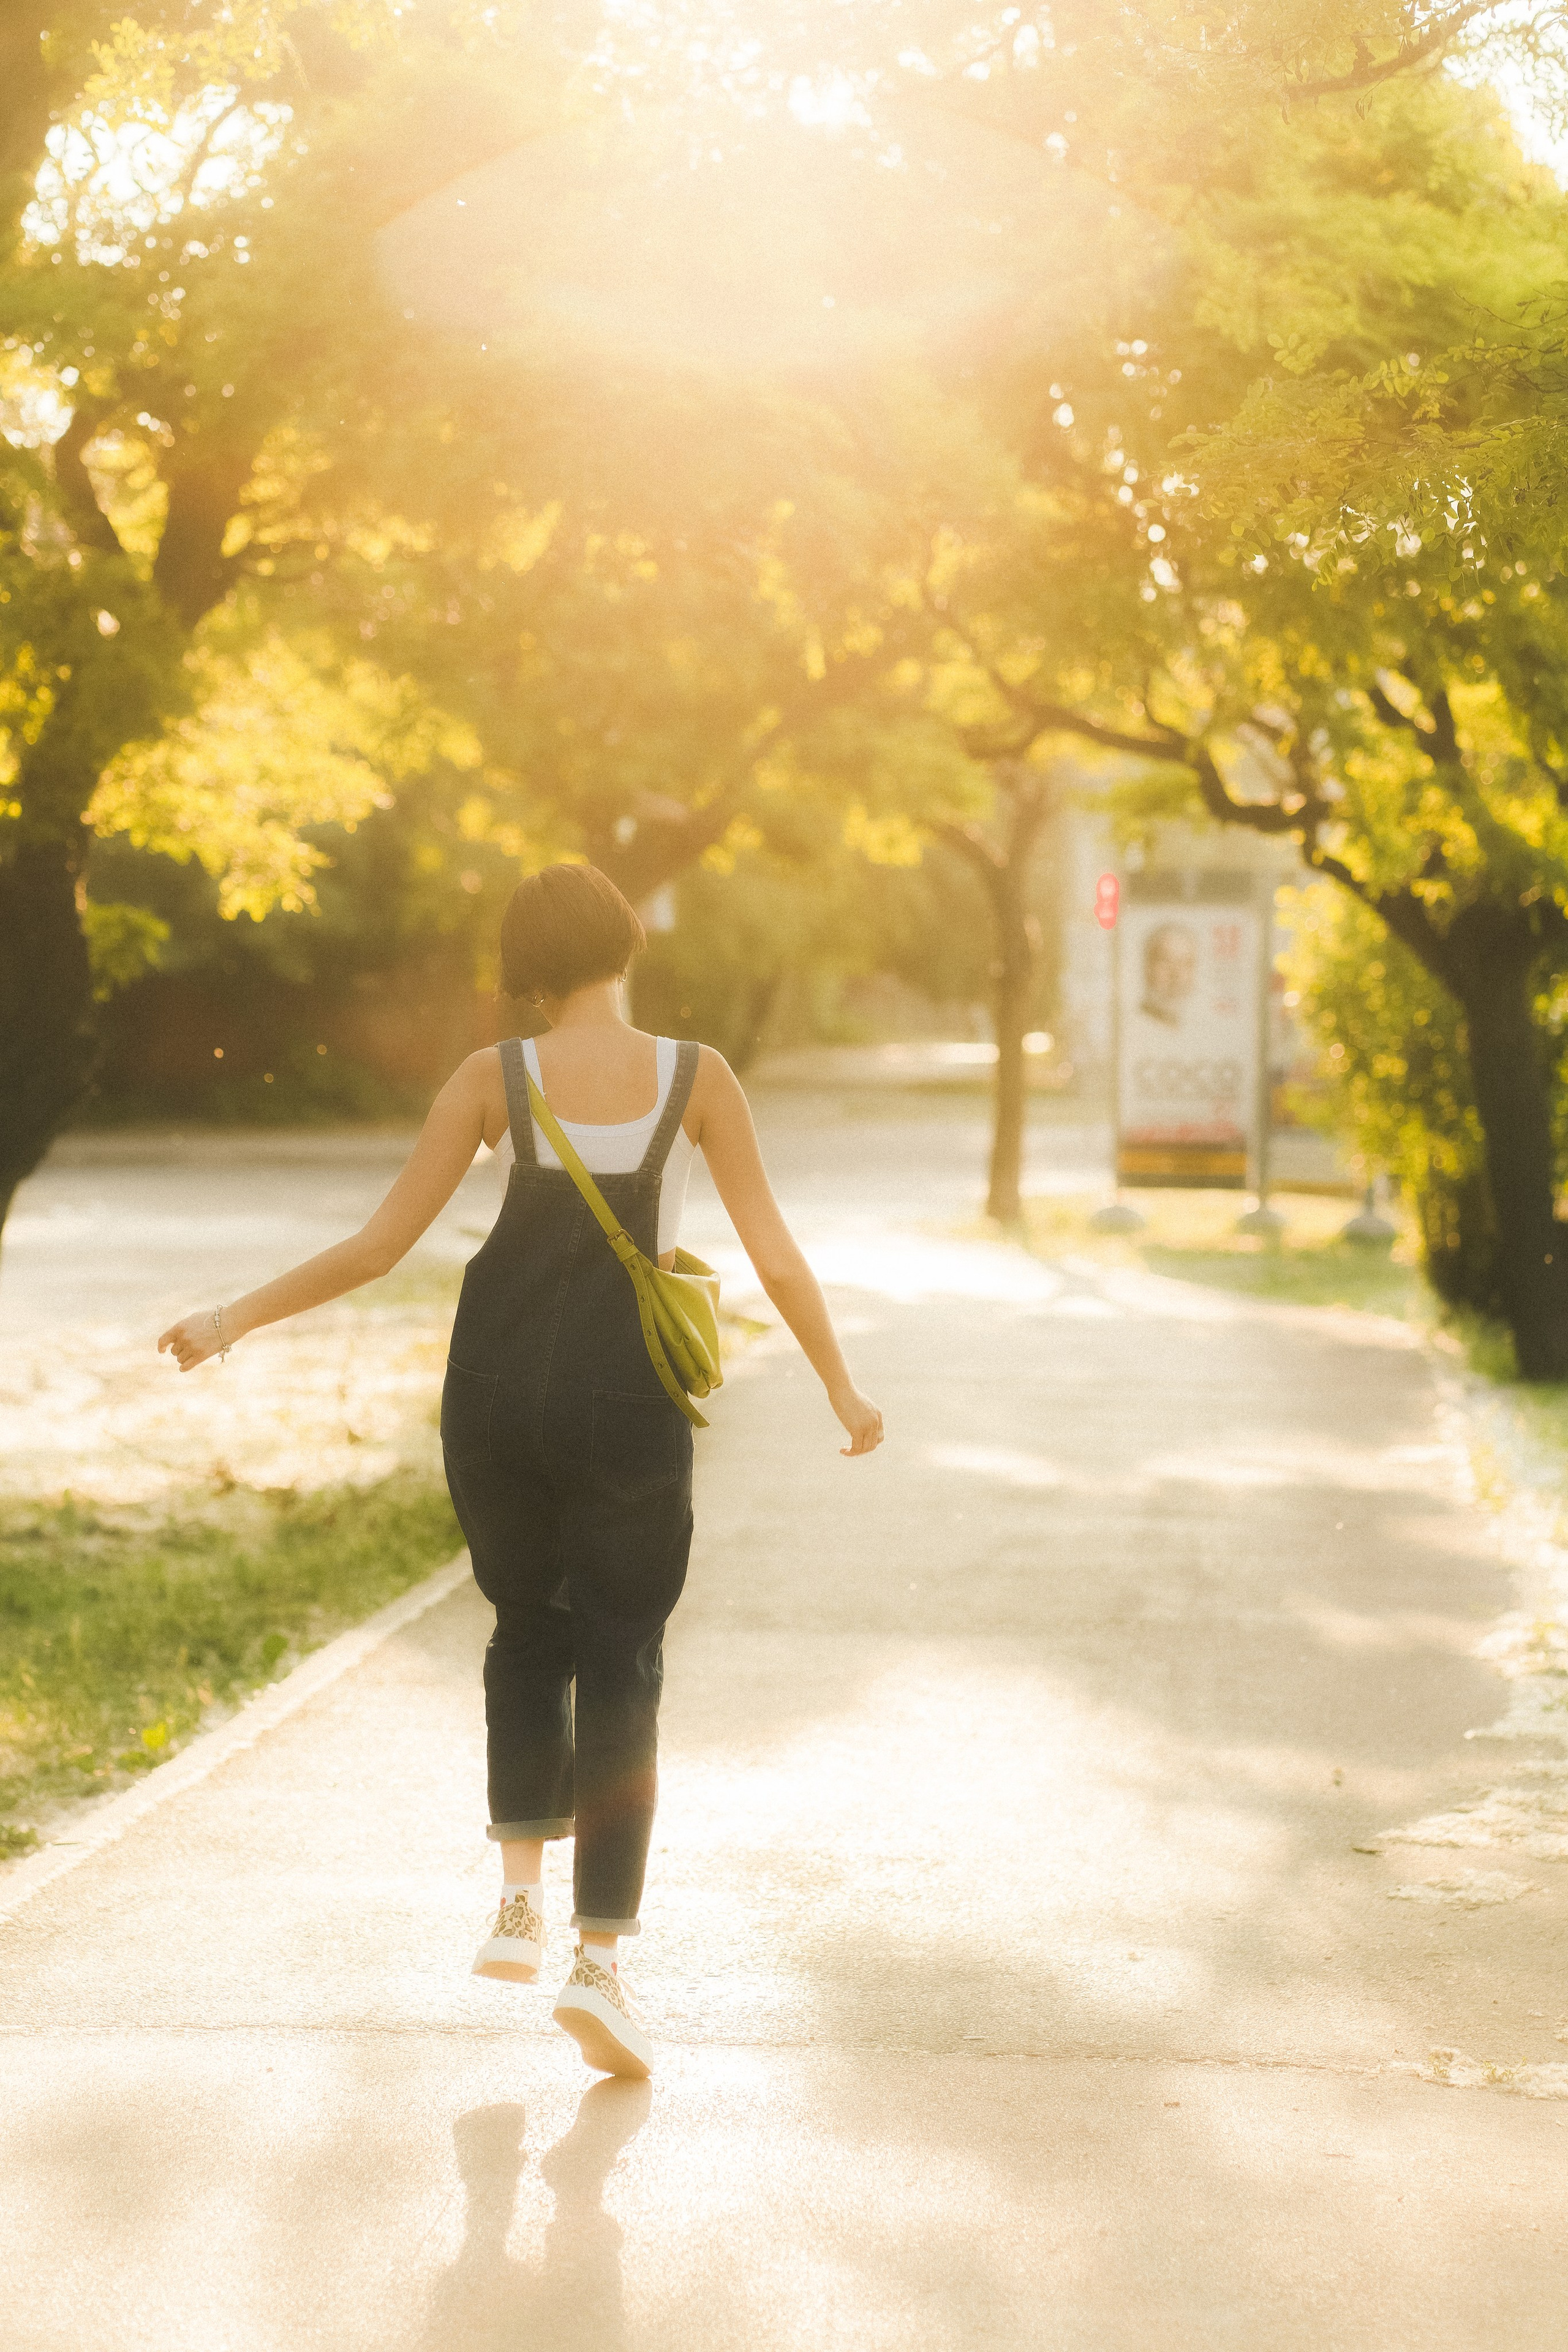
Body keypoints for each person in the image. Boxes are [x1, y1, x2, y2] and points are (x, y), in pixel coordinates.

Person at [159, 862, 884, 2080]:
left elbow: (381, 1245)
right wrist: (839, 1386)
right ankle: (599, 1962)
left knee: (522, 1630)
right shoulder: (696, 1079)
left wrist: (234, 1318)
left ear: (526, 972)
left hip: (493, 1400)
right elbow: (774, 1253)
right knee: (622, 1658)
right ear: (624, 943)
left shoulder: (489, 1080)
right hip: (624, 1408)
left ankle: (513, 1899)